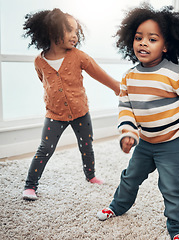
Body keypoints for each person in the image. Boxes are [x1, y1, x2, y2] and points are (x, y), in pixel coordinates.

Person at [95, 4, 179, 240]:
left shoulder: (177, 74)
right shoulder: (129, 77)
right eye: (138, 38)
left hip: (174, 141)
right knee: (130, 176)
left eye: (152, 39)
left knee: (171, 186)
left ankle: (178, 228)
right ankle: (118, 206)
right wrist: (128, 133)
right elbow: (126, 109)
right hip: (145, 140)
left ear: (166, 46)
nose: (143, 43)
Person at [21, 8, 120, 201]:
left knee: (86, 145)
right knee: (45, 148)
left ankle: (90, 175)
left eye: (76, 31)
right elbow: (44, 82)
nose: (74, 35)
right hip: (54, 114)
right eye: (69, 30)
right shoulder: (39, 62)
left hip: (80, 111)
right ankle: (30, 185)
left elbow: (98, 74)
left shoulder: (78, 56)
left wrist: (116, 87)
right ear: (51, 31)